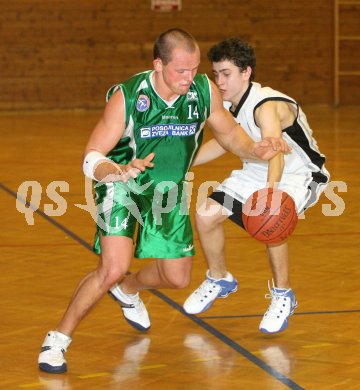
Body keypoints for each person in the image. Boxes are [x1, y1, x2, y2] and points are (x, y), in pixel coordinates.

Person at [38, 29, 290, 374]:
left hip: (168, 192)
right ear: (158, 65)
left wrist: (256, 150)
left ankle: (129, 289)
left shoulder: (203, 91)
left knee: (177, 278)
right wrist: (117, 169)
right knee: (112, 267)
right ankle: (57, 339)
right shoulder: (129, 96)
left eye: (195, 69)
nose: (190, 78)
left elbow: (230, 134)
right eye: (181, 71)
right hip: (122, 183)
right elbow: (91, 157)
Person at [183, 37, 330, 334]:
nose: (220, 81)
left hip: (298, 173)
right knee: (206, 215)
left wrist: (271, 194)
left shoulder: (266, 105)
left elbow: (274, 151)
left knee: (271, 222)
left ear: (246, 72)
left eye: (226, 74)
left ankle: (283, 294)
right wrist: (181, 164)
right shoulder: (226, 105)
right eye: (216, 74)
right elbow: (224, 143)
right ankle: (219, 277)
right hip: (255, 167)